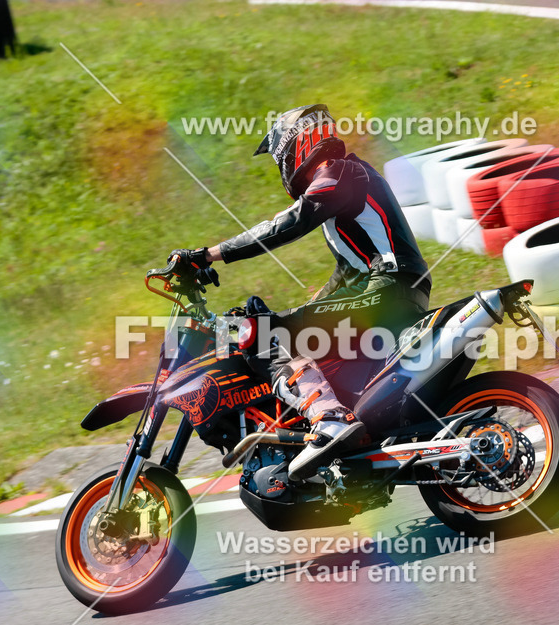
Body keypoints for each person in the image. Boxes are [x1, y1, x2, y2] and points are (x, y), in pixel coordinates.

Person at [169, 104, 431, 480]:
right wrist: (298, 314)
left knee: (263, 334)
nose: (283, 167)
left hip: (390, 288)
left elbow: (289, 223)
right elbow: (346, 275)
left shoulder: (338, 173)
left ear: (295, 145)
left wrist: (208, 255)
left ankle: (329, 419)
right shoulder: (346, 185)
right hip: (390, 291)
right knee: (280, 328)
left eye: (281, 158)